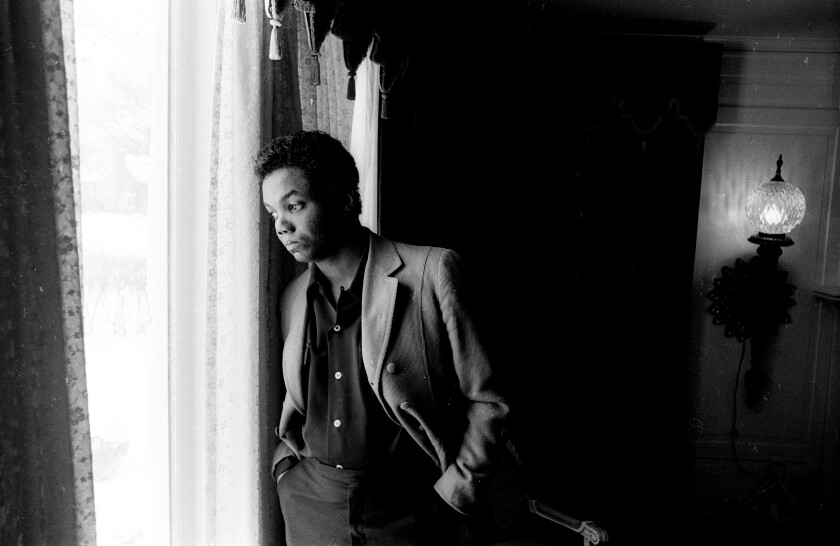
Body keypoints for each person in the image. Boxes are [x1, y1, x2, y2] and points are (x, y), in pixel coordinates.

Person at [255, 130, 509, 545]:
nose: (282, 226)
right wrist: (287, 472)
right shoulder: (292, 298)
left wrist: (456, 493)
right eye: (272, 212)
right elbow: (296, 402)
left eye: (294, 206)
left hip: (413, 509)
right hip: (312, 505)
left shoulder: (432, 272)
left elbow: (490, 400)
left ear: (345, 200)